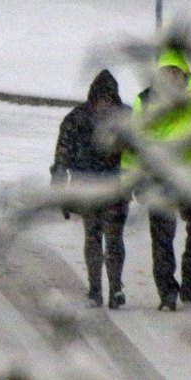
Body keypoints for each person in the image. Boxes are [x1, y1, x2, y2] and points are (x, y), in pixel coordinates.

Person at [122, 47, 191, 311]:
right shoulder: (145, 101)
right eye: (165, 72)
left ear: (184, 73)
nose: (170, 77)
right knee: (161, 237)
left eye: (174, 72)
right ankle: (167, 293)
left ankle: (190, 270)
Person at [51, 69, 129, 309]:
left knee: (104, 239)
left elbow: (63, 154)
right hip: (104, 187)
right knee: (100, 239)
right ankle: (103, 288)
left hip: (103, 187)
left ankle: (108, 288)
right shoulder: (125, 118)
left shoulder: (77, 118)